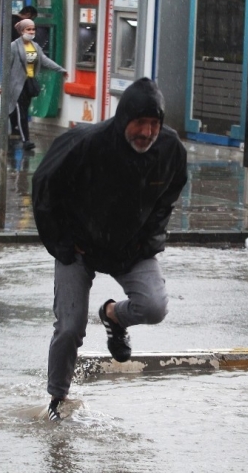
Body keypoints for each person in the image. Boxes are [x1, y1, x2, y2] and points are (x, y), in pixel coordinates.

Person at [32, 78, 188, 421]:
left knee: (155, 307)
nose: (146, 132)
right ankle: (57, 401)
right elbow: (44, 186)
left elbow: (168, 196)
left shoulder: (170, 149)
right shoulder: (87, 144)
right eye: (140, 123)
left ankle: (114, 316)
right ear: (123, 120)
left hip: (130, 248)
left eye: (154, 124)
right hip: (79, 246)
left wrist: (148, 240)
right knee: (70, 327)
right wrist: (61, 242)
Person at [4, 19, 67, 151]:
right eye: (28, 29)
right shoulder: (13, 46)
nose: (31, 32)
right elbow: (6, 68)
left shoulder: (35, 46)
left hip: (29, 83)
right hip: (15, 85)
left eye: (33, 29)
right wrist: (2, 85)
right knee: (21, 112)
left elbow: (44, 60)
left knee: (19, 112)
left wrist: (60, 69)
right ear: (22, 31)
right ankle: (25, 140)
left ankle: (7, 131)